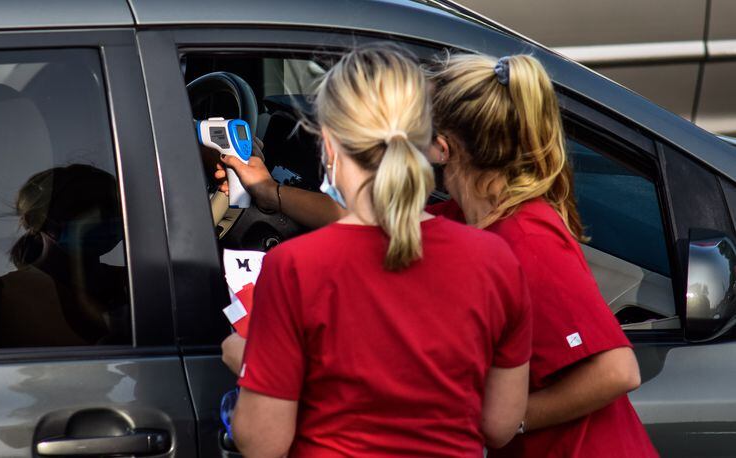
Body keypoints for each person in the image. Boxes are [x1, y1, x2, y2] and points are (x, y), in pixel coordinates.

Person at [221, 46, 532, 457]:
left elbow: (263, 444)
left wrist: (249, 360)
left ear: (329, 145)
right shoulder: (495, 260)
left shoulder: (296, 266)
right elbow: (500, 424)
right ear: (429, 143)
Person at [425, 53, 657, 457]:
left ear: (443, 148)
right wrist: (274, 193)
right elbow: (373, 224)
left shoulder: (525, 239)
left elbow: (617, 370)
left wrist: (509, 420)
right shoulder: (470, 218)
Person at [0, 164, 130, 349]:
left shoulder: (138, 284)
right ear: (45, 222)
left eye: (115, 211)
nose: (109, 221)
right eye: (93, 213)